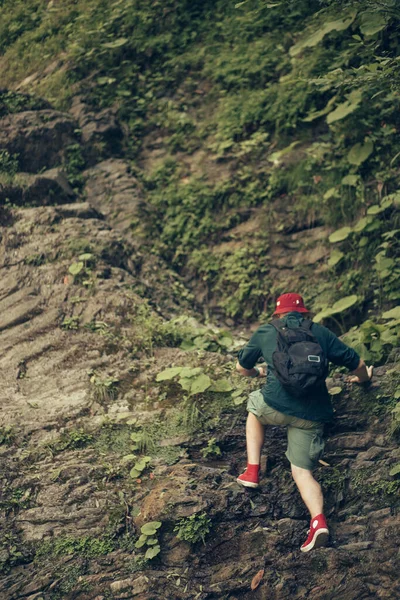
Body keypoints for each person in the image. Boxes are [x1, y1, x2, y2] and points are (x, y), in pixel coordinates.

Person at [235, 292, 373, 552]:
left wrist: (258, 372)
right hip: (311, 416)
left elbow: (243, 368)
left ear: (277, 313)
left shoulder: (267, 331)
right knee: (302, 472)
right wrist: (364, 380)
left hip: (273, 407)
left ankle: (252, 470)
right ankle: (318, 521)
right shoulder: (320, 333)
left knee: (254, 405)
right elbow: (358, 363)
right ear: (305, 313)